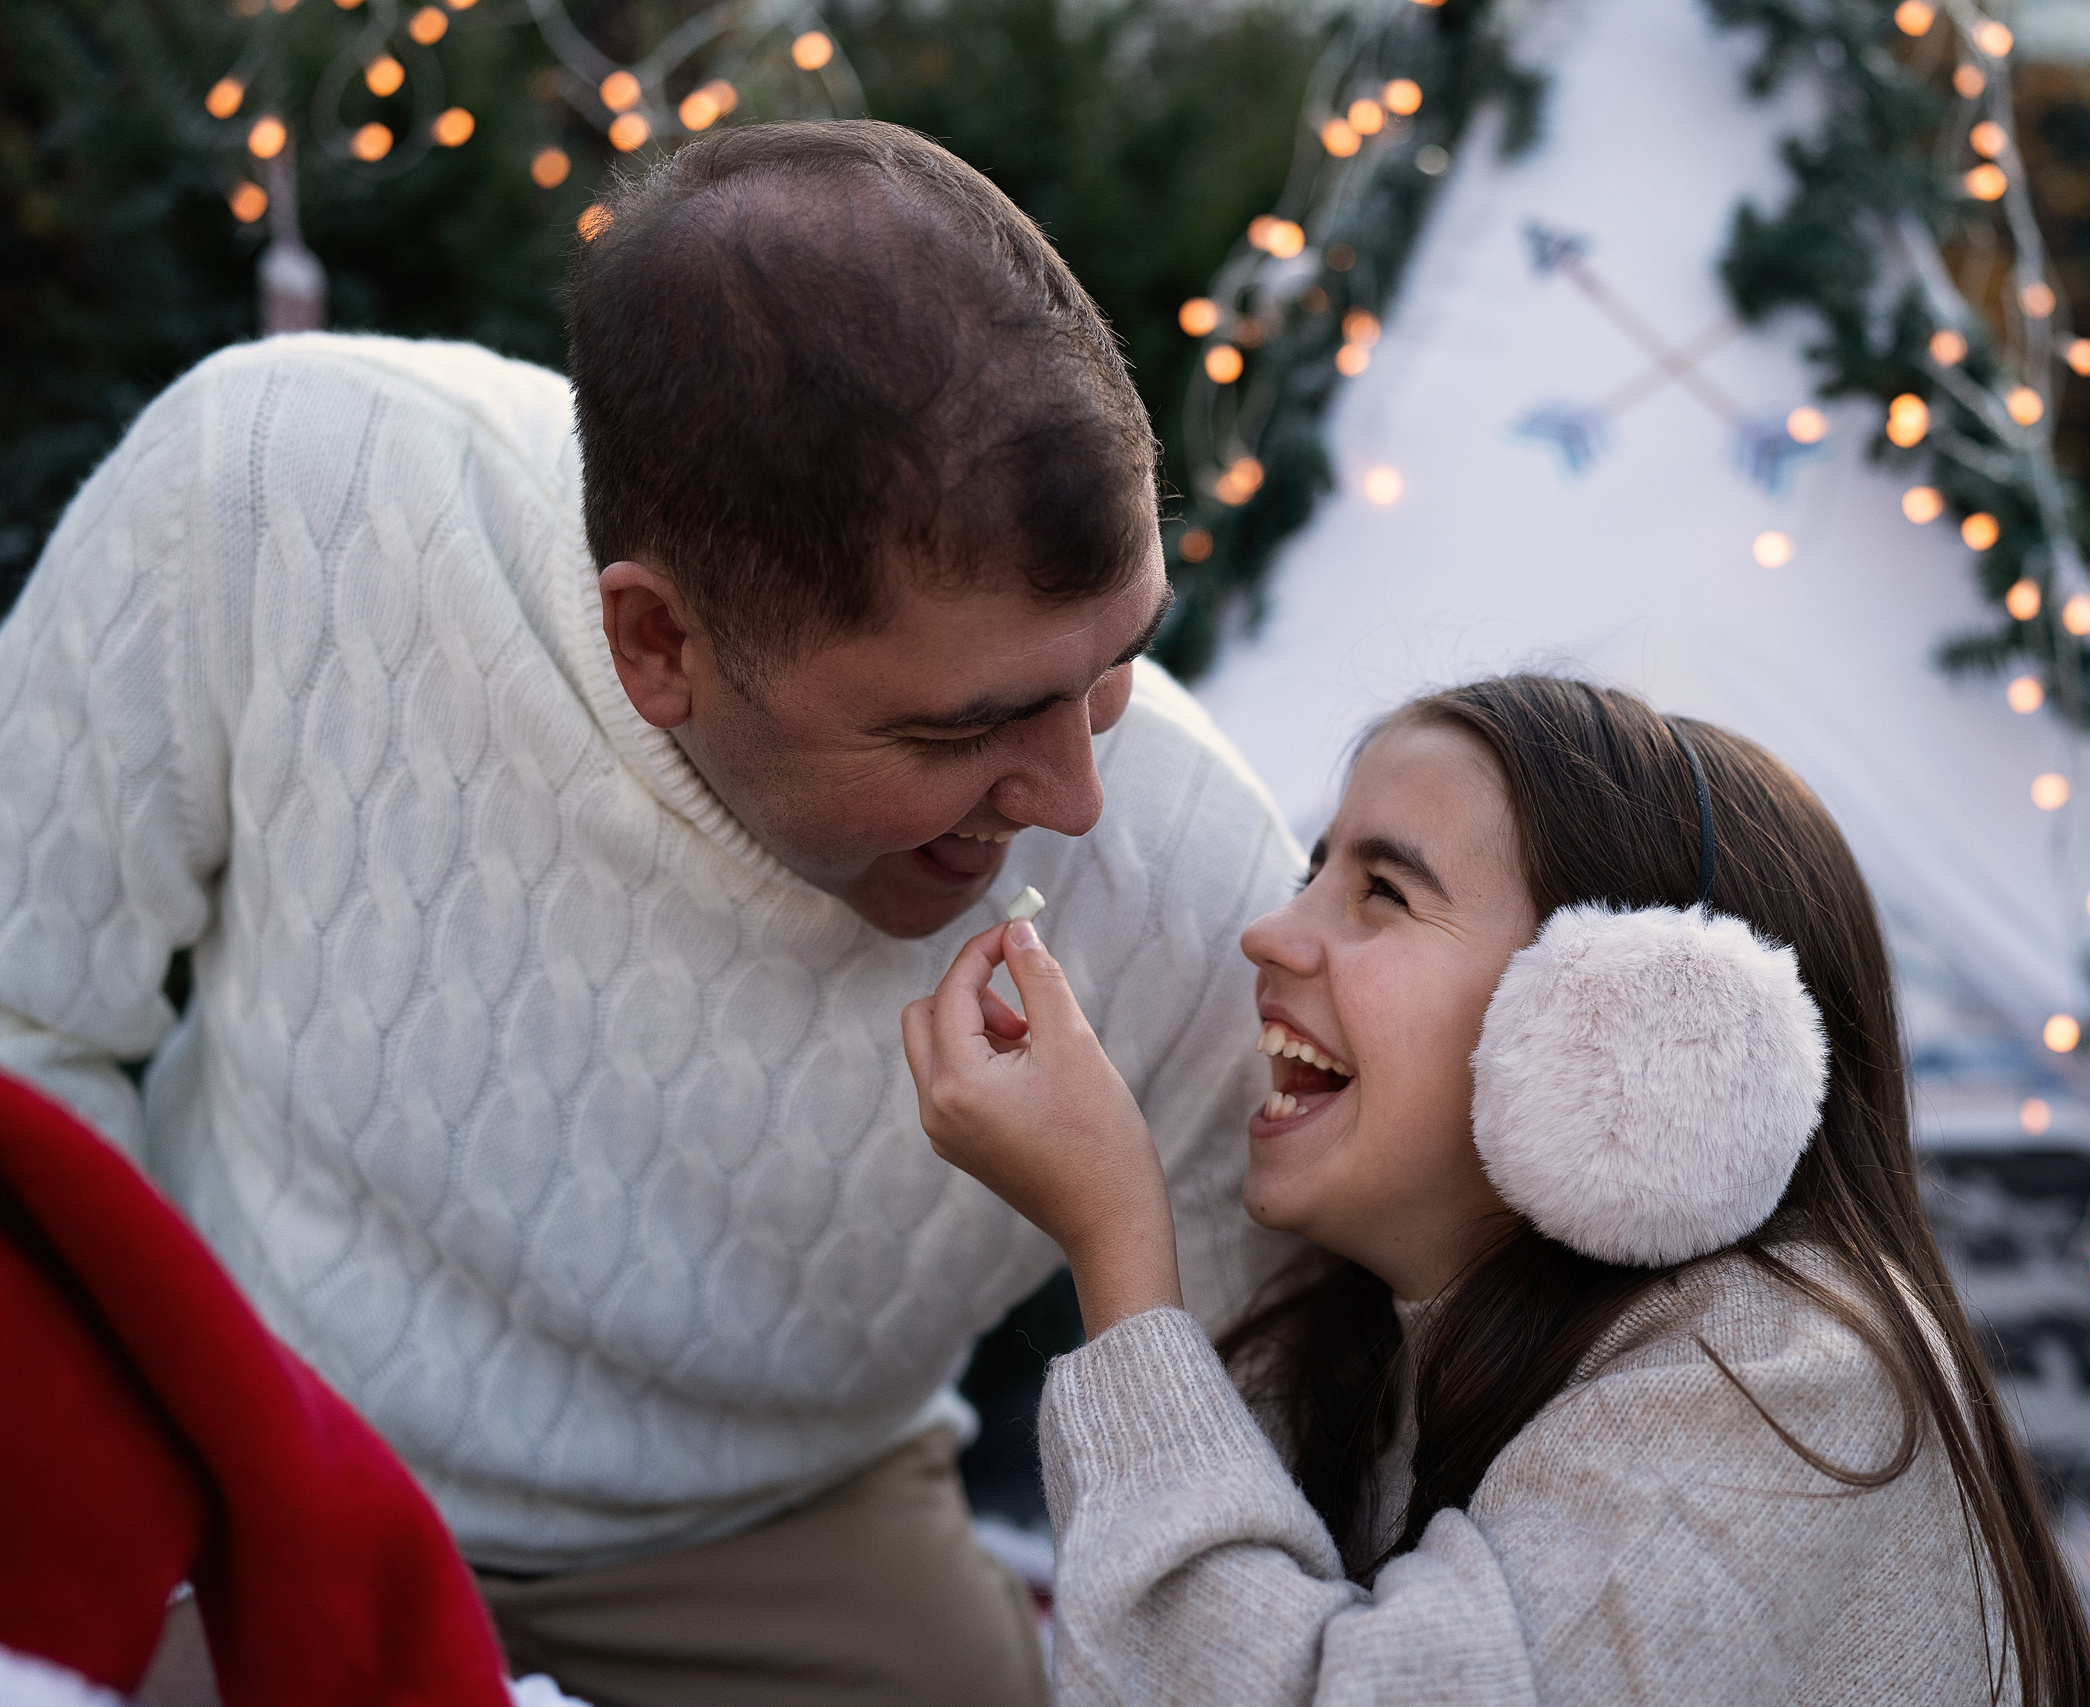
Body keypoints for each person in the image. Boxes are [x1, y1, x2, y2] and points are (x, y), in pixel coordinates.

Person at [0, 121, 1301, 1707]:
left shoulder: (1206, 881)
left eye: (1114, 669)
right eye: (965, 727)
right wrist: (133, 1419)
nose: (1080, 797)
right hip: (240, 1423)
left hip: (788, 1523)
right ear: (656, 642)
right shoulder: (270, 489)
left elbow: (1290, 1423)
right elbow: (20, 1017)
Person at [905, 674, 2090, 1706]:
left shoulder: (1794, 1379)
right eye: (1316, 871)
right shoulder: (1357, 1340)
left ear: (1631, 1033)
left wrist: (1116, 1238)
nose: (1269, 933)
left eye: (1382, 891)